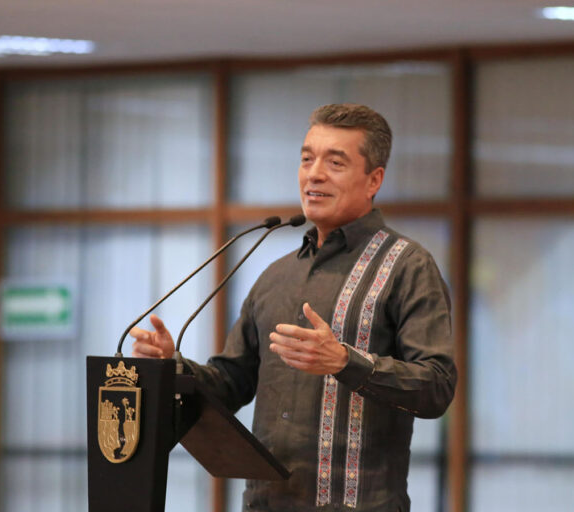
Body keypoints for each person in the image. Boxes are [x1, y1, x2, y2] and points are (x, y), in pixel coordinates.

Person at [131, 103, 456, 511]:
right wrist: (171, 366)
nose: (314, 174)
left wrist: (345, 362)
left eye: (335, 162)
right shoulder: (275, 275)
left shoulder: (407, 266)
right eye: (306, 159)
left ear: (374, 180)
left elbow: (437, 386)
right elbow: (230, 382)